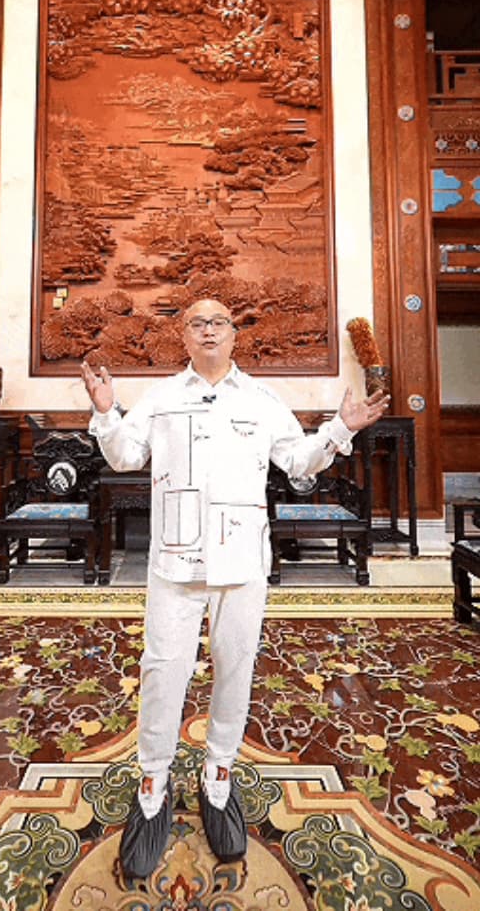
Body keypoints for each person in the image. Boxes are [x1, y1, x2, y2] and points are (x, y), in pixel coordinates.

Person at [80, 298, 389, 879]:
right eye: (197, 323)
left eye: (218, 322)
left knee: (236, 668)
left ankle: (218, 776)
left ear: (233, 335)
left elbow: (298, 461)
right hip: (175, 563)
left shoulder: (262, 400)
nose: (208, 330)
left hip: (242, 561)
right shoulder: (161, 397)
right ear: (184, 336)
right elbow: (123, 457)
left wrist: (341, 428)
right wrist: (105, 413)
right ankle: (152, 784)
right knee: (162, 671)